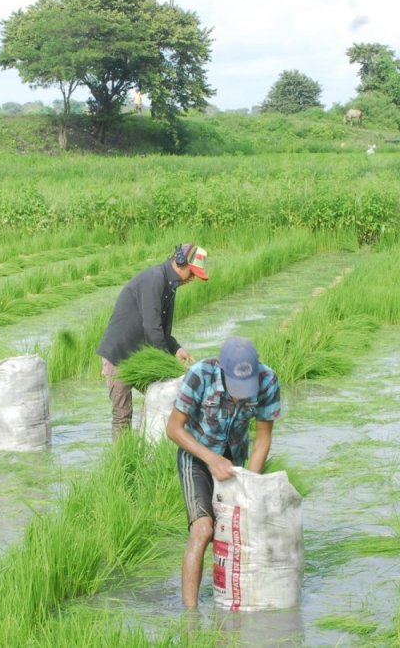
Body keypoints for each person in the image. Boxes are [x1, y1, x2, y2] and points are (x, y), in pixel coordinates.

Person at [166, 336, 281, 608]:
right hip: (196, 454)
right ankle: (191, 615)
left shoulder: (267, 381)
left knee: (232, 528)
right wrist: (210, 458)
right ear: (222, 370)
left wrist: (249, 485)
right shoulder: (200, 376)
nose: (242, 393)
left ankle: (227, 596)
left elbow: (263, 439)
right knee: (203, 530)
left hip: (234, 458)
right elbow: (174, 429)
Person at [96, 243, 208, 440]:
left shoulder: (170, 287)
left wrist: (176, 349)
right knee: (122, 415)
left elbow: (162, 332)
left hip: (140, 357)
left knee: (160, 400)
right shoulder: (155, 279)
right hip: (119, 356)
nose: (192, 279)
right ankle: (123, 462)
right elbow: (151, 328)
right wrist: (169, 365)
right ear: (181, 262)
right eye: (192, 273)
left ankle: (147, 450)